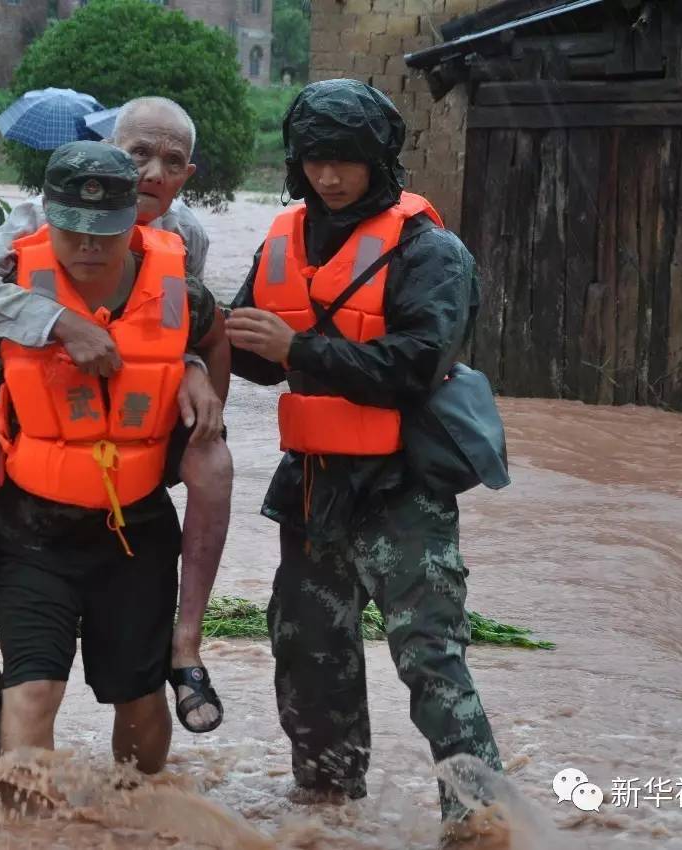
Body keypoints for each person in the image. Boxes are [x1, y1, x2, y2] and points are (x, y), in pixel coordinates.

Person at [224, 79, 503, 826]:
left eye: (345, 160)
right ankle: (326, 811)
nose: (329, 176)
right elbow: (258, 356)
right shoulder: (284, 240)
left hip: (402, 487)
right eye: (315, 161)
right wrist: (208, 328)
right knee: (307, 651)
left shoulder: (430, 251)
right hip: (313, 488)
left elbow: (419, 363)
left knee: (430, 658)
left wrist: (299, 349)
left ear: (378, 160)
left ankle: (482, 822)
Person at [0, 98, 231, 758]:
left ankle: (186, 645)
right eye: (139, 155)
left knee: (215, 464)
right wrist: (56, 324)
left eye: (172, 162)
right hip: (29, 381)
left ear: (188, 174)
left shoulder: (185, 238)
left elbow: (183, 328)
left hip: (139, 395)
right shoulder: (34, 224)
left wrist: (195, 376)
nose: (153, 173)